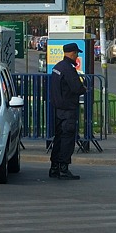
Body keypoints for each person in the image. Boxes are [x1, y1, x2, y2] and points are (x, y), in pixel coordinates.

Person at [48, 42, 85, 180]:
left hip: (58, 109)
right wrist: (84, 88)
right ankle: (63, 168)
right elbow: (77, 88)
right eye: (76, 53)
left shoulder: (57, 67)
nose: (77, 57)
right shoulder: (69, 69)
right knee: (67, 140)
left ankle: (54, 167)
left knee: (58, 139)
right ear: (72, 53)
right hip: (68, 109)